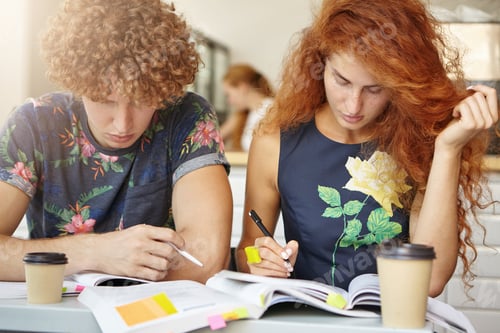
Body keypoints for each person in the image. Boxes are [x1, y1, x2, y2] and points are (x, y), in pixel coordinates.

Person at [235, 0, 498, 297]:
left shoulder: (420, 140)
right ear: (321, 65)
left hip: (398, 319)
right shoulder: (275, 141)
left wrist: (448, 149)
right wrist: (260, 261)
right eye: (342, 80)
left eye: (375, 88)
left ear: (401, 83)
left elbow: (432, 281)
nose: (353, 106)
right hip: (307, 318)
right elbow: (248, 249)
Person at [0, 0, 233, 284]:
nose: (123, 124)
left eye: (142, 100)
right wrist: (96, 252)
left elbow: (207, 258)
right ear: (78, 83)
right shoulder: (34, 123)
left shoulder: (187, 116)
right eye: (104, 101)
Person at [220, 64, 274, 151]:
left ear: (242, 88)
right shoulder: (249, 114)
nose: (229, 101)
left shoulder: (271, 110)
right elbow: (212, 141)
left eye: (228, 95)